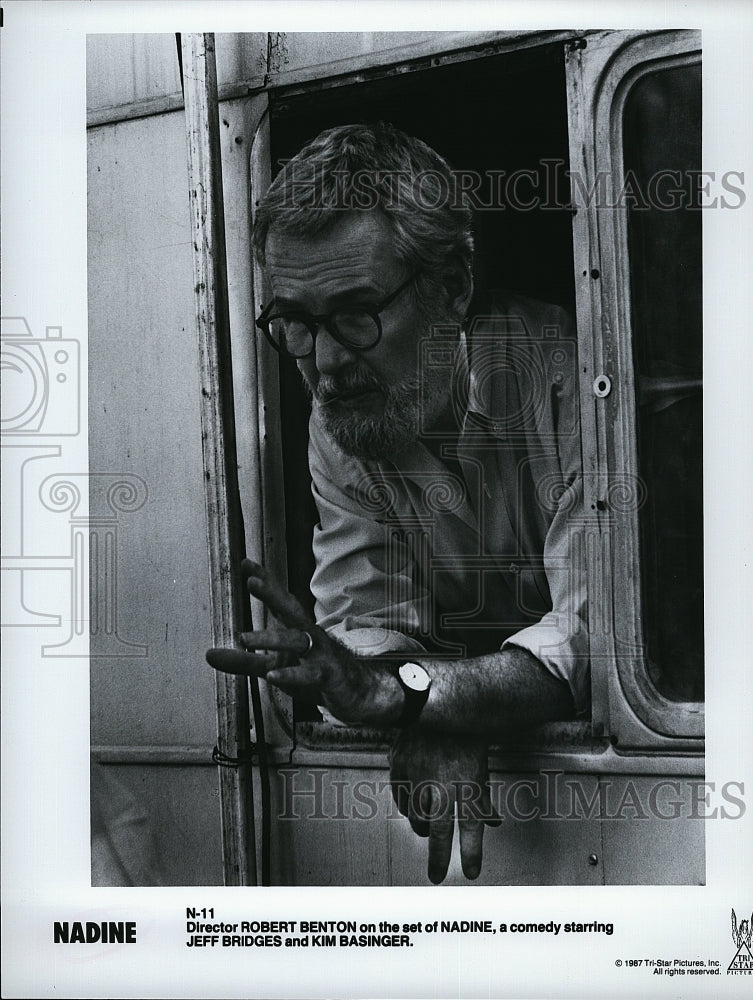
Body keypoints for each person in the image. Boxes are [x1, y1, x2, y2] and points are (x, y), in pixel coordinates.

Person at [207, 122, 588, 884]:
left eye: (355, 313)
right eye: (296, 323)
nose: (325, 362)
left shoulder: (573, 382)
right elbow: (369, 620)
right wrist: (429, 701)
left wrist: (422, 698)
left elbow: (598, 633)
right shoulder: (341, 422)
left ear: (452, 286)